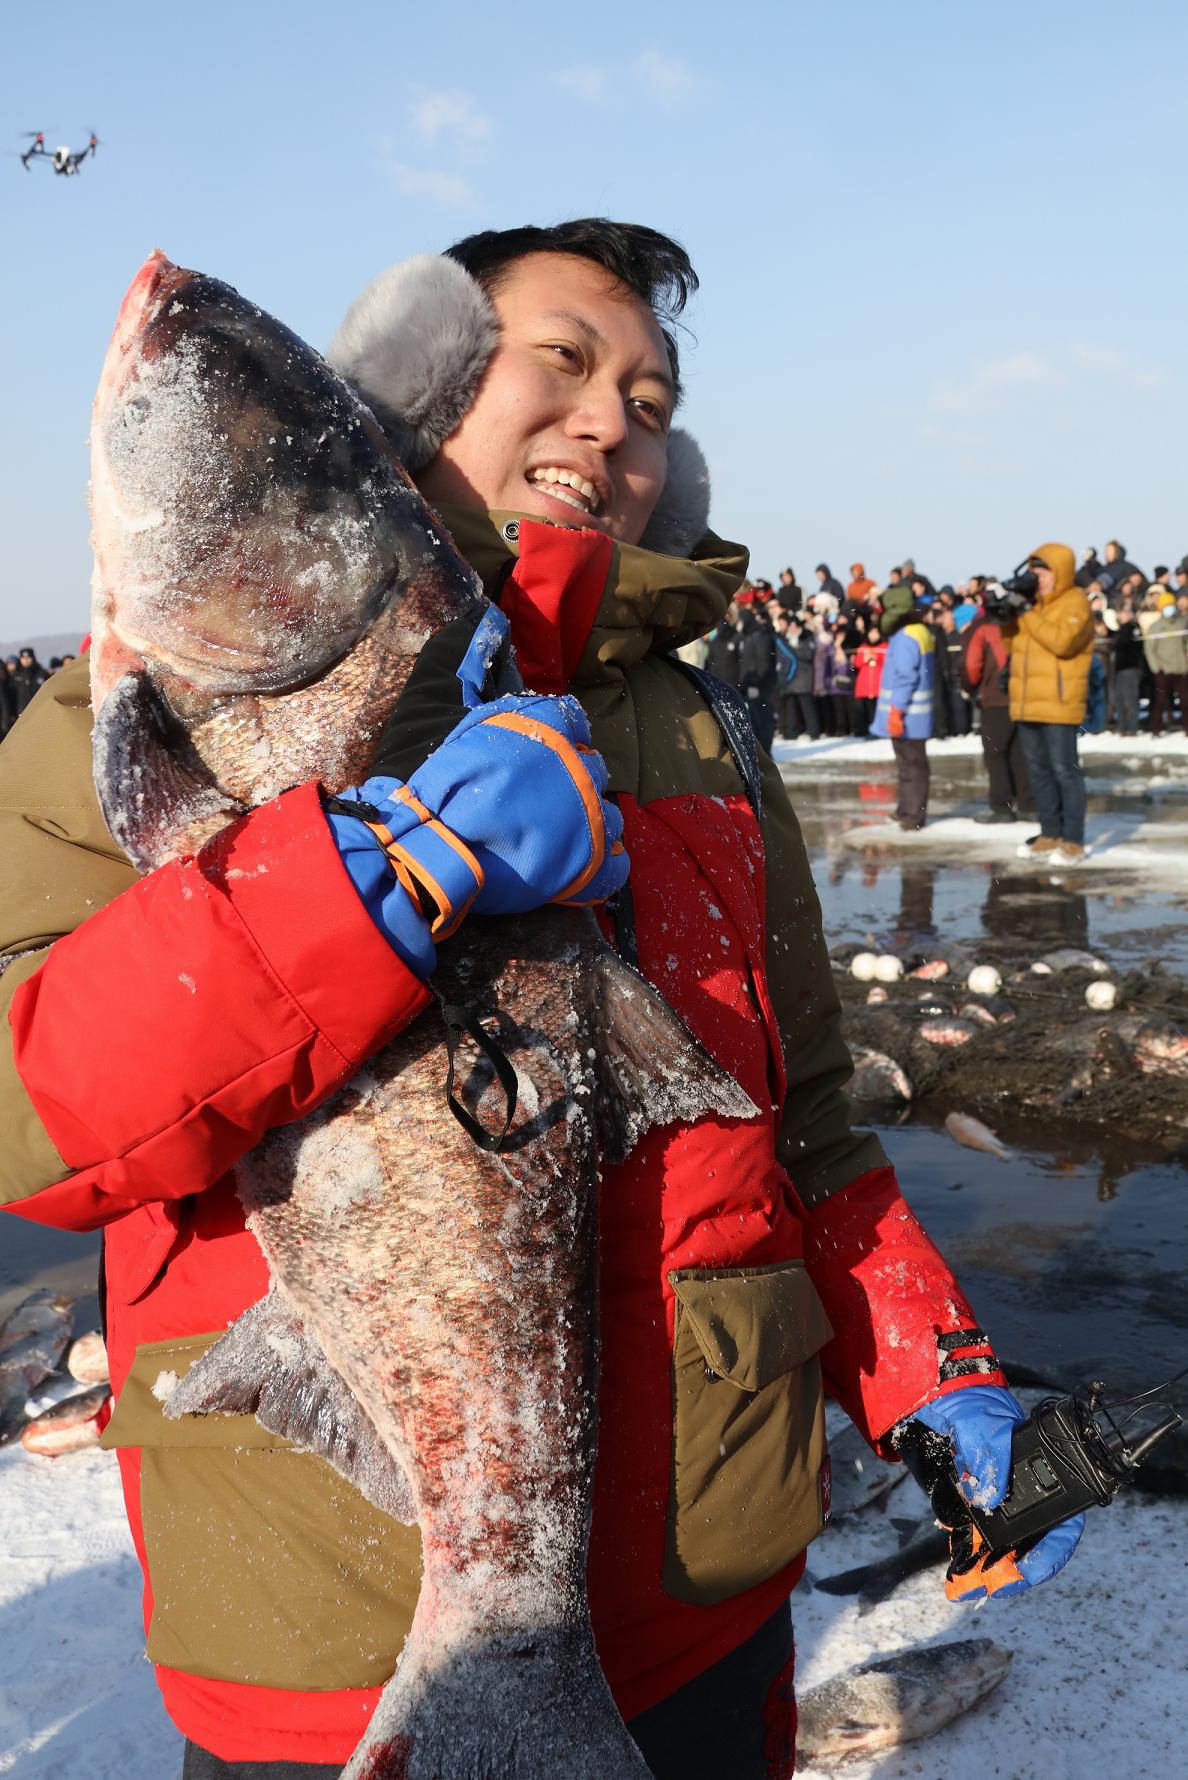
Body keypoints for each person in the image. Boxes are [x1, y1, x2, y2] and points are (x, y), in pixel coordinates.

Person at [0, 219, 1080, 1780]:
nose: (610, 422)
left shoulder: (696, 732)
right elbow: (27, 1126)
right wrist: (371, 881)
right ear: (428, 376)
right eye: (563, 363)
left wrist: (932, 1372)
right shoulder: (140, 707)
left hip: (709, 1608)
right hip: (332, 1644)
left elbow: (810, 1131)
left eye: (651, 399)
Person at [1005, 544, 1094, 864]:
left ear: (1061, 573)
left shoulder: (1076, 603)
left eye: (1044, 574)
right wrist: (1006, 616)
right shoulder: (1033, 606)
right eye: (1035, 574)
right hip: (1028, 702)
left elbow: (1062, 642)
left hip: (1059, 702)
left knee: (1064, 771)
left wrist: (1027, 614)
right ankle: (1050, 832)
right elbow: (1011, 645)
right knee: (1038, 771)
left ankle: (1073, 840)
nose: (1039, 580)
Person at [870, 582, 935, 828]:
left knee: (912, 767)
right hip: (913, 715)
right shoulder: (918, 631)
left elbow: (906, 676)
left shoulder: (906, 637)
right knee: (908, 766)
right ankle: (906, 809)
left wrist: (897, 710)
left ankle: (914, 815)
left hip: (907, 715)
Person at [961, 606, 1032, 821]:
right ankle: (1029, 804)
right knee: (1020, 752)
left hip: (995, 697)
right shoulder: (1021, 621)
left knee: (995, 753)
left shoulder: (982, 628)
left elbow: (972, 665)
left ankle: (1002, 807)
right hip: (1023, 696)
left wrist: (970, 687)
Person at [1143, 591, 1188, 737]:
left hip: (1181, 669)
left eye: (1171, 605)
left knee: (1185, 702)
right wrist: (1156, 667)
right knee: (1160, 702)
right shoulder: (1155, 627)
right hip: (1163, 670)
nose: (1169, 608)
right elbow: (1150, 649)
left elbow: (1185, 643)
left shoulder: (1182, 623)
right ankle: (1156, 729)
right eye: (1166, 605)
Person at [1111, 600, 1146, 735]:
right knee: (1119, 699)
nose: (1122, 615)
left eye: (1125, 612)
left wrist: (1120, 639)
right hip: (1119, 669)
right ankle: (1121, 726)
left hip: (1131, 668)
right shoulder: (1120, 630)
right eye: (1121, 612)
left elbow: (1133, 646)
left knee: (1130, 699)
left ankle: (1132, 727)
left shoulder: (1133, 628)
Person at [10, 646, 50, 715]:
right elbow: (12, 696)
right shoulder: (15, 675)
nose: (25, 660)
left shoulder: (41, 673)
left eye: (28, 658)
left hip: (38, 711)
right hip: (20, 712)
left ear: (33, 658)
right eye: (23, 658)